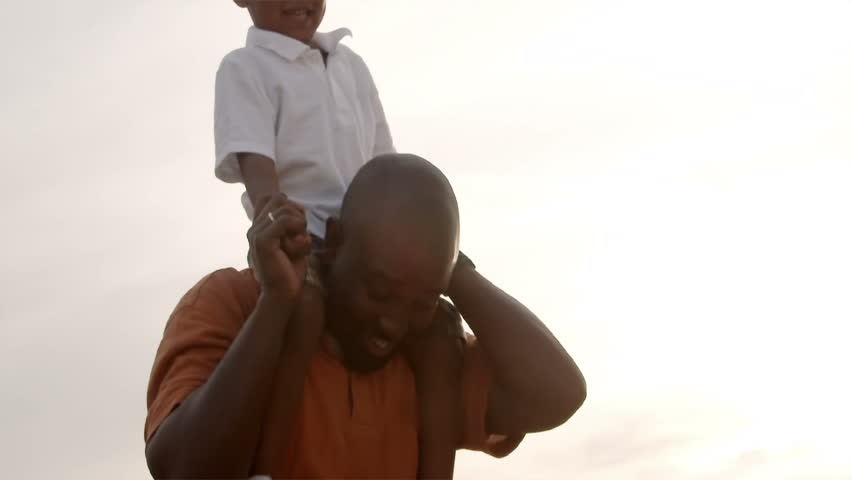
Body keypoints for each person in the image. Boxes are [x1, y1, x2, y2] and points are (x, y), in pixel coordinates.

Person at [144, 154, 587, 479]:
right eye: (378, 292)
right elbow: (183, 469)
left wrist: (454, 272)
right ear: (334, 240)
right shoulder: (232, 303)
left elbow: (557, 394)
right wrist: (276, 306)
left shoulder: (429, 353)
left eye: (420, 302)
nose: (392, 325)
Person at [213, 1, 459, 476]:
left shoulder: (351, 65)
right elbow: (253, 154)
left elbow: (386, 165)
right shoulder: (245, 67)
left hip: (369, 247)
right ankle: (267, 468)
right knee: (303, 309)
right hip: (298, 238)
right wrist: (271, 211)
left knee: (442, 333)